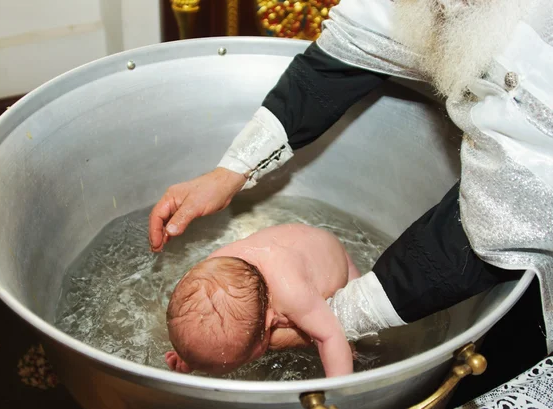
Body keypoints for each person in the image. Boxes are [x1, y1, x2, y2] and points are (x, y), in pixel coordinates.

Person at [150, 0, 553, 384]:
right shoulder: (215, 276)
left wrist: (340, 363)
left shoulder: (288, 295)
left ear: (270, 326)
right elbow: (358, 41)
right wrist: (230, 171)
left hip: (516, 214)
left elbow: (509, 211)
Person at [165, 224, 360, 377]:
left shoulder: (292, 293)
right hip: (295, 242)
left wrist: (338, 389)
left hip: (335, 260)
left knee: (348, 329)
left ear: (269, 321)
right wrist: (192, 355)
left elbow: (330, 335)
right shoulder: (212, 271)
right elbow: (204, 318)